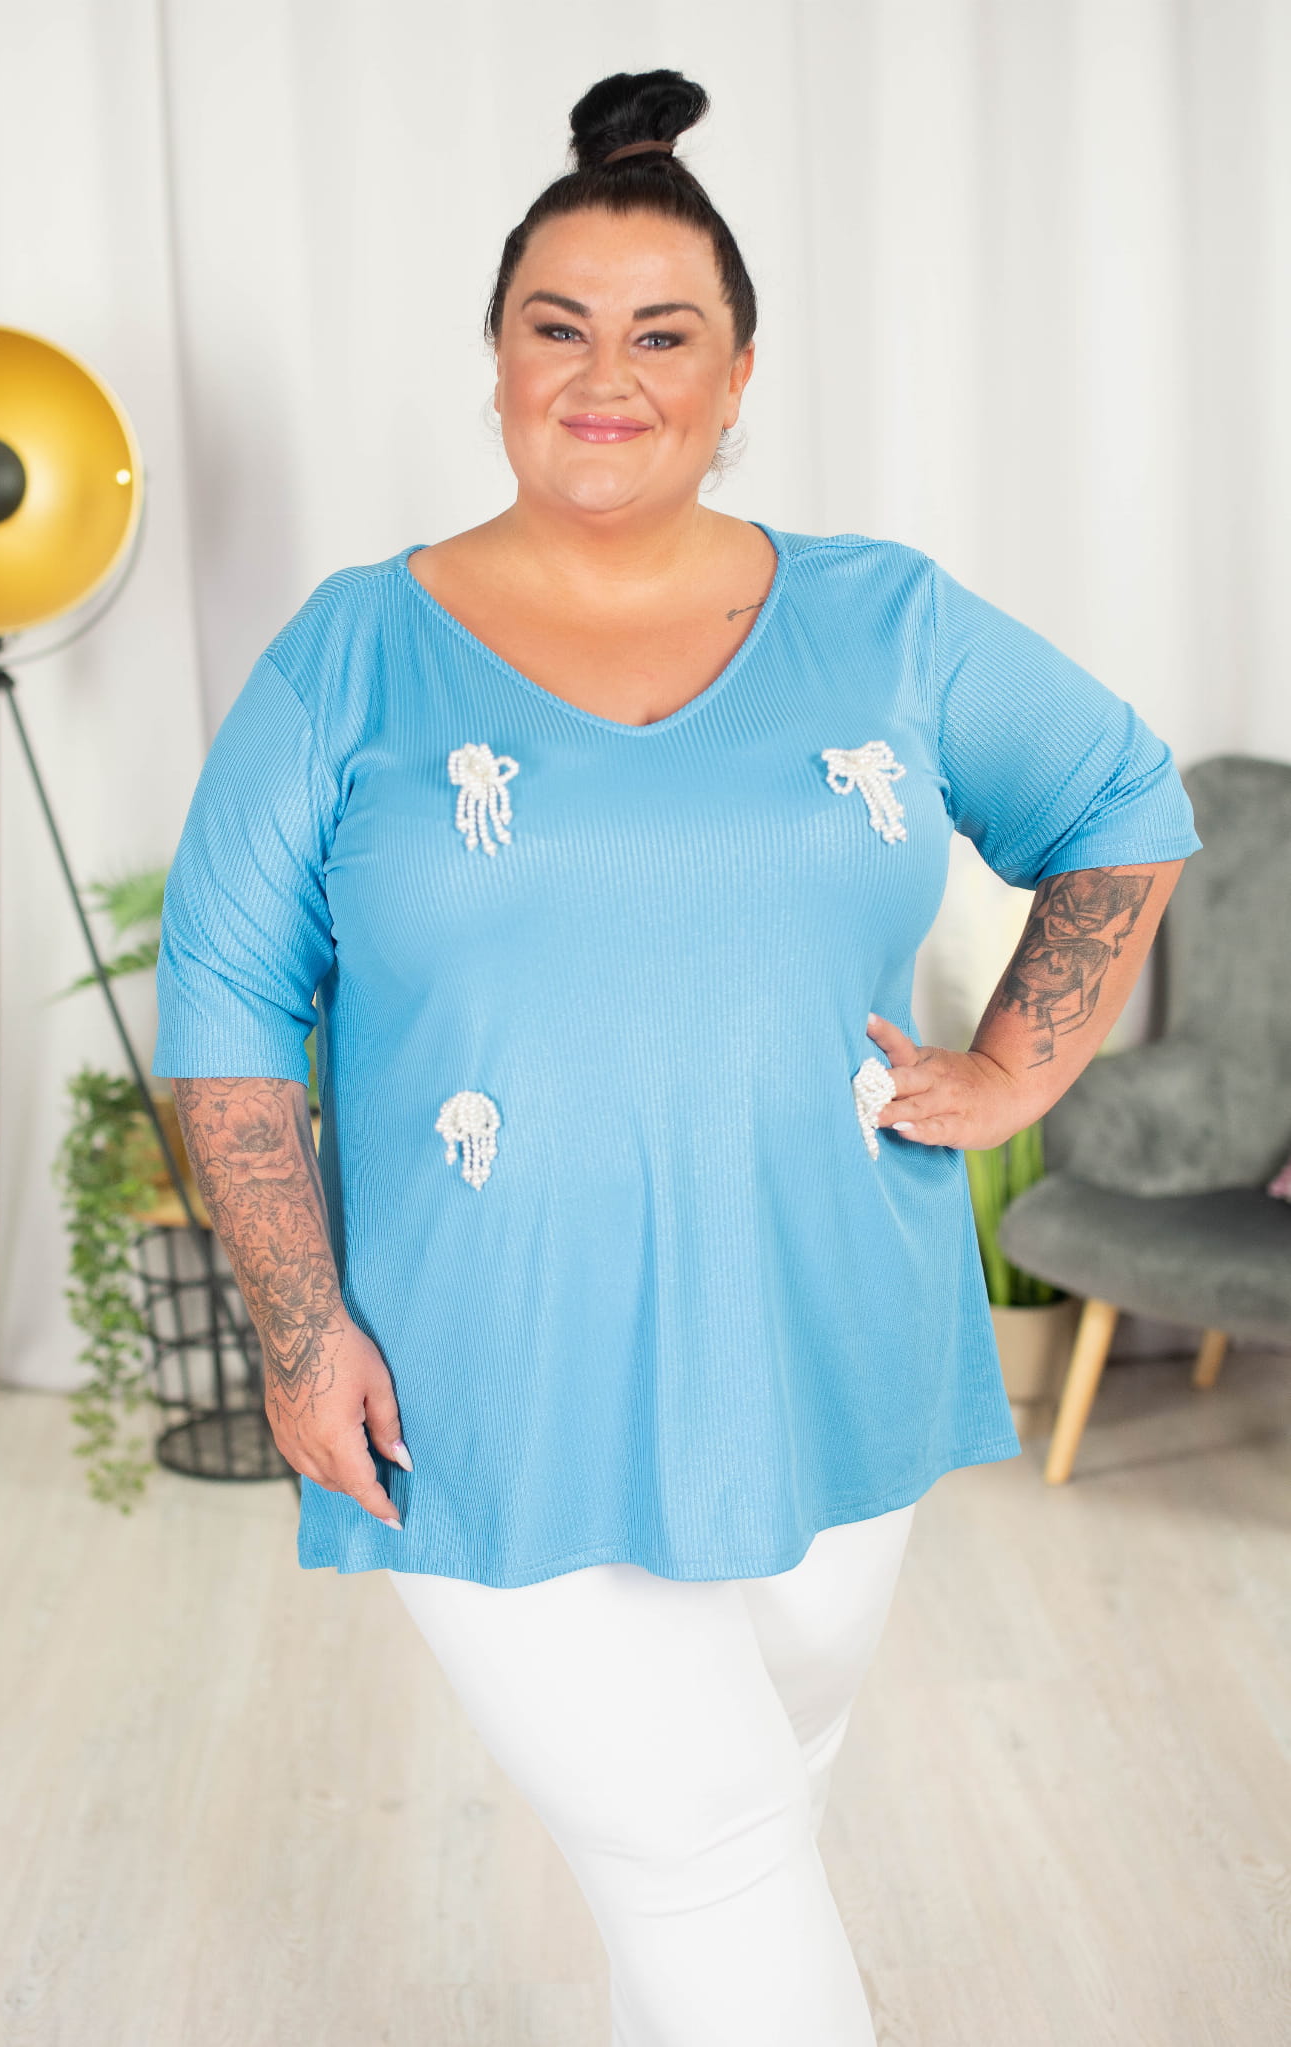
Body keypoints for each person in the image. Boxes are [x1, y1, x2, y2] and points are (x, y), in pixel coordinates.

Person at [153, 68, 1201, 2047]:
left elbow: (1119, 803)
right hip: (479, 1367)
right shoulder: (352, 651)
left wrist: (1014, 1071)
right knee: (717, 1861)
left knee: (741, 1838)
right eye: (558, 328)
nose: (605, 376)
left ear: (738, 379)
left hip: (832, 1335)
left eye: (662, 334)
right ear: (493, 362)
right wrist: (298, 1326)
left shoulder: (886, 618)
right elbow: (223, 997)